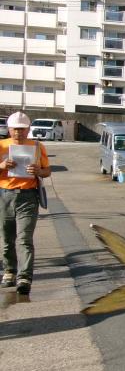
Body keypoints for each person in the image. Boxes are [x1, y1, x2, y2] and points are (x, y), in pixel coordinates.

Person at [0, 112, 51, 295]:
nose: (18, 133)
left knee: (24, 238)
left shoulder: (37, 146)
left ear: (28, 129)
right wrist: (2, 166)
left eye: (22, 129)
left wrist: (39, 170)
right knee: (6, 238)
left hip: (28, 196)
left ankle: (24, 277)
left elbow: (47, 171)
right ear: (9, 129)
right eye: (15, 129)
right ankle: (9, 271)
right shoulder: (1, 145)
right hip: (4, 195)